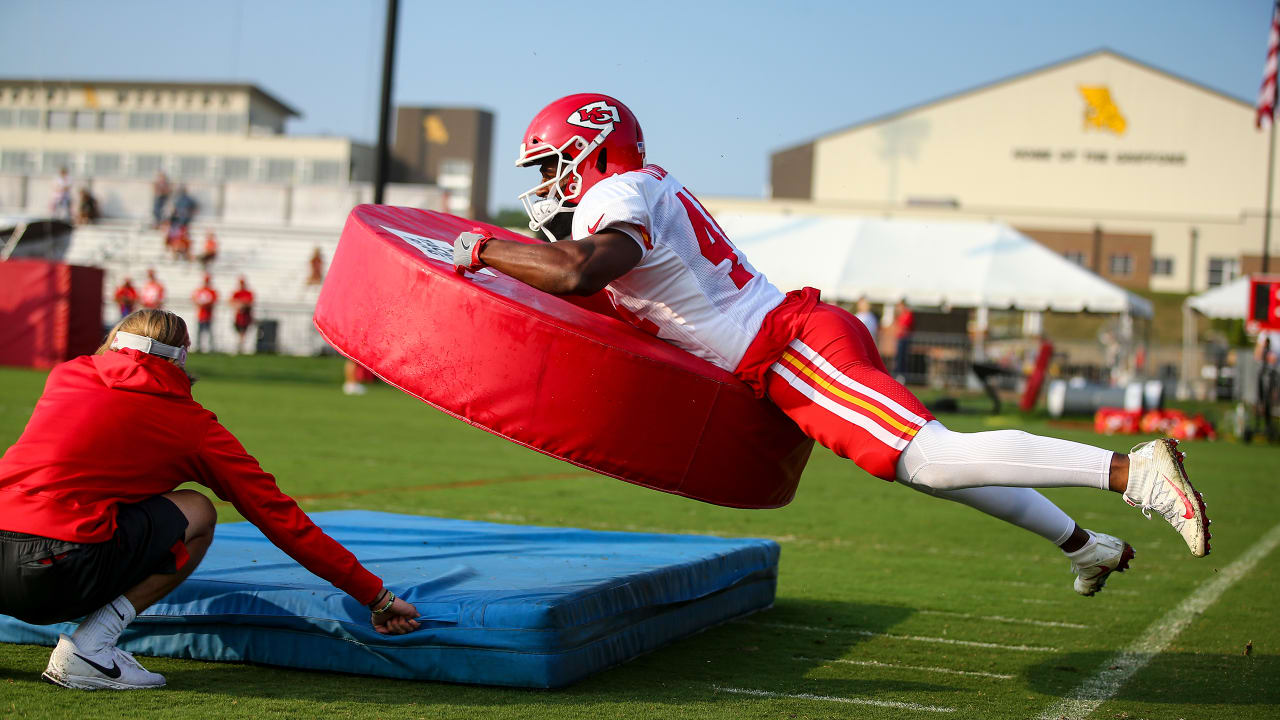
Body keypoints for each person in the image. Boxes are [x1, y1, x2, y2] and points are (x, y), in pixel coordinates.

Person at [452, 93, 1211, 600]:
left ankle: (1133, 470)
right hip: (786, 347)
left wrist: (482, 251)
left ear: (592, 152)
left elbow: (583, 271)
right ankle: (1085, 545)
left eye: (551, 165)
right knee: (928, 470)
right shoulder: (642, 187)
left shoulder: (615, 195)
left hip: (789, 350)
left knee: (932, 457)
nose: (546, 184)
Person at [0, 310, 419, 690]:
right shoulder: (192, 427)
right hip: (55, 573)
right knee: (196, 510)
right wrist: (376, 597)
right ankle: (92, 647)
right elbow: (278, 516)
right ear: (182, 357)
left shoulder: (66, 374)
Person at [191, 275, 218, 353]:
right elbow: (195, 300)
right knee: (199, 333)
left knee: (209, 333)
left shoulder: (212, 291)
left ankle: (211, 348)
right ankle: (198, 347)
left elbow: (213, 302)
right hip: (201, 315)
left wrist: (206, 304)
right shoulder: (200, 291)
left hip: (209, 316)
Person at [891, 300, 914, 383]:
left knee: (902, 359)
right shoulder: (900, 315)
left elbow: (904, 326)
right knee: (898, 358)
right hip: (900, 339)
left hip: (904, 339)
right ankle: (898, 375)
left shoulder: (907, 314)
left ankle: (902, 376)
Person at [230, 276, 255, 354]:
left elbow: (251, 303)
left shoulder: (248, 293)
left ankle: (241, 348)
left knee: (243, 333)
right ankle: (240, 347)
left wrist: (243, 304)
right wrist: (238, 305)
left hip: (246, 317)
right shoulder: (236, 293)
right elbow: (231, 302)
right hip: (238, 317)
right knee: (240, 333)